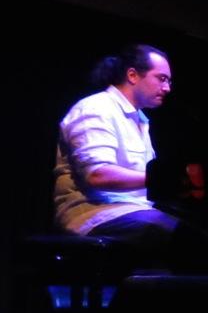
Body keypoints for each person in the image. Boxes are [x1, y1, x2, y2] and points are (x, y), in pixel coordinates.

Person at [53, 44, 182, 263]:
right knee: (180, 236)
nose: (167, 88)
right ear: (132, 75)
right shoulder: (96, 108)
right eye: (161, 79)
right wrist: (160, 179)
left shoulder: (140, 120)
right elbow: (98, 175)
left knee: (202, 231)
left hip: (131, 210)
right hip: (94, 213)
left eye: (169, 81)